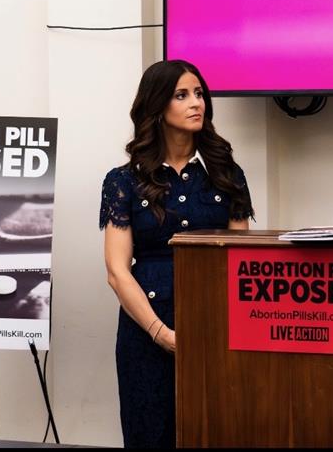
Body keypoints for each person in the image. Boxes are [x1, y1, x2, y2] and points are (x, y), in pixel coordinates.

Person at [100, 60, 254, 448]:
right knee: (150, 434)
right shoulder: (124, 181)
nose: (196, 103)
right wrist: (161, 333)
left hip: (217, 330)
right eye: (182, 95)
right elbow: (117, 272)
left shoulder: (227, 174)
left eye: (199, 94)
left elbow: (241, 262)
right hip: (145, 332)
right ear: (157, 107)